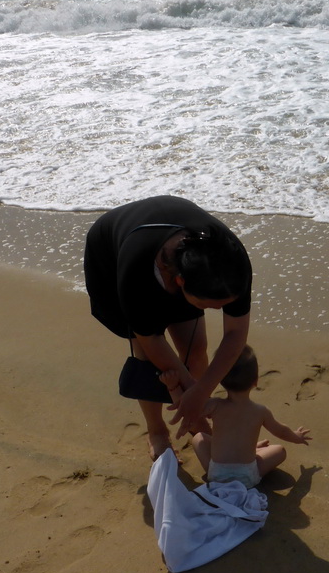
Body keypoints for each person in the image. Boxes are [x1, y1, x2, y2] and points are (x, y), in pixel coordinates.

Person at [84, 196, 252, 459]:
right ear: (180, 282)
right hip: (113, 254)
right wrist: (191, 392)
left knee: (196, 349)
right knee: (148, 359)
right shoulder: (135, 272)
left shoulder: (231, 264)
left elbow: (235, 335)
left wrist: (200, 392)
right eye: (210, 305)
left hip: (186, 262)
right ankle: (157, 431)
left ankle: (196, 422)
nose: (219, 311)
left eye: (223, 305)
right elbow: (152, 341)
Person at [161, 345, 312, 488]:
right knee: (280, 450)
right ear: (255, 381)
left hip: (216, 474)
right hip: (248, 477)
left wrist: (173, 387)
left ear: (220, 380)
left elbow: (185, 408)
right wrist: (297, 437)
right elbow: (282, 431)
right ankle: (251, 450)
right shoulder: (260, 411)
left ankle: (251, 450)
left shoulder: (214, 405)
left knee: (199, 437)